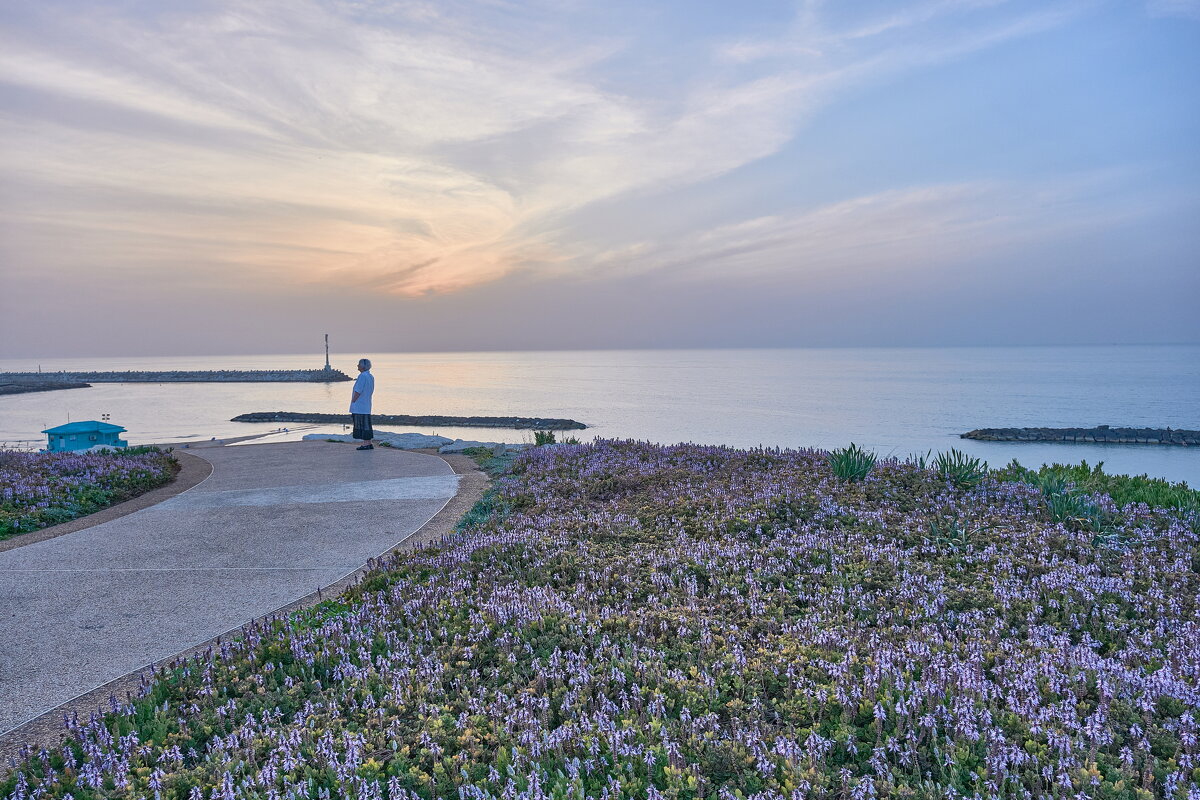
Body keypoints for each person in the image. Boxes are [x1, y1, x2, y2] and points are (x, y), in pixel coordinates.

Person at [350, 358, 375, 450]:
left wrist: (353, 400)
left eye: (359, 364)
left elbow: (358, 390)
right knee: (367, 424)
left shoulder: (362, 376)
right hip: (366, 403)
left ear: (363, 366)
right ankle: (369, 443)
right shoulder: (370, 376)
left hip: (360, 405)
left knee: (361, 424)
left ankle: (365, 444)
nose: (357, 366)